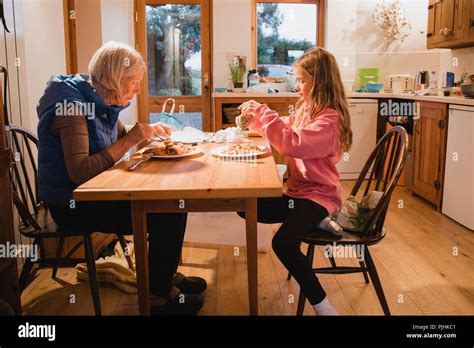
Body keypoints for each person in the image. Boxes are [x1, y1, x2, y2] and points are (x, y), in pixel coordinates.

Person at [36, 41, 206, 315]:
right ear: (114, 79)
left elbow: (118, 133)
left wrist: (145, 130)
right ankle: (156, 296)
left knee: (175, 203)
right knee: (168, 211)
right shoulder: (71, 109)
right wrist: (134, 138)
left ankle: (160, 276)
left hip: (95, 192)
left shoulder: (97, 98)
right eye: (134, 82)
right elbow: (79, 172)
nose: (138, 89)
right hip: (69, 204)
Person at [236, 47, 353, 315]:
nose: (297, 86)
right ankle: (318, 221)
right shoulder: (307, 109)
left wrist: (264, 112)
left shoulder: (329, 120)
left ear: (319, 81)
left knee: (283, 244)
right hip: (298, 194)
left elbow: (292, 143)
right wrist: (254, 121)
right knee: (244, 205)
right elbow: (286, 127)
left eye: (302, 81)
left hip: (320, 195)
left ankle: (323, 307)